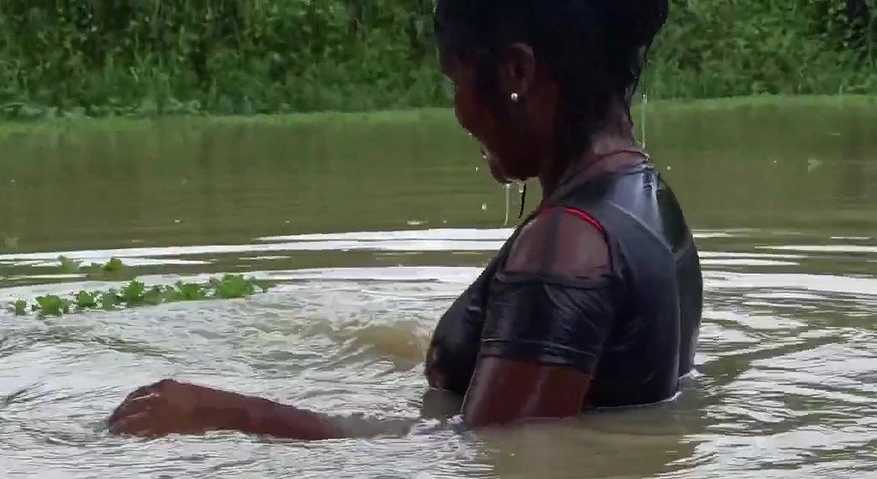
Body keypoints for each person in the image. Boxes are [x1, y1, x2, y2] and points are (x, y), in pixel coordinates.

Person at [107, 0, 701, 441]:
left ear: (516, 75)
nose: (459, 110)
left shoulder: (568, 244)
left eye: (458, 80)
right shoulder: (648, 204)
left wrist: (224, 414)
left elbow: (492, 455)